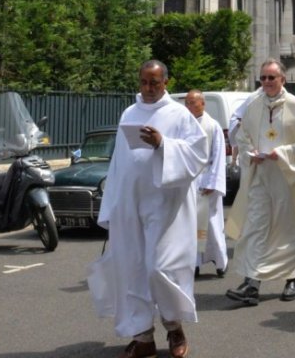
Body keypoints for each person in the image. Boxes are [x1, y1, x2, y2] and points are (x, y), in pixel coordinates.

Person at [88, 61, 209, 358]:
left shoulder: (179, 114)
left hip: (166, 206)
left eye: (154, 82)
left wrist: (163, 144)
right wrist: (111, 204)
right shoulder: (129, 113)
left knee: (160, 269)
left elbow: (198, 153)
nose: (149, 88)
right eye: (144, 82)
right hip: (131, 204)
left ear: (166, 82)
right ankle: (142, 337)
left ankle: (174, 326)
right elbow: (119, 161)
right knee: (132, 267)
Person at [226, 60, 295, 305]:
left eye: (271, 78)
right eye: (263, 78)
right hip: (260, 175)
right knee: (255, 227)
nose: (266, 82)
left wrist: (283, 153)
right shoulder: (253, 105)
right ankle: (252, 283)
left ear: (282, 80)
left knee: (288, 228)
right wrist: (250, 151)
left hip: (287, 178)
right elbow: (242, 136)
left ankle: (292, 278)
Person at [184, 90, 227, 278]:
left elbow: (218, 156)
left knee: (211, 224)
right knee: (190, 224)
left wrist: (213, 182)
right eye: (187, 103)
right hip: (189, 180)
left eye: (193, 102)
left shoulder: (213, 125)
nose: (189, 106)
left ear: (203, 104)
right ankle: (194, 263)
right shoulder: (184, 124)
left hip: (207, 180)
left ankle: (220, 261)